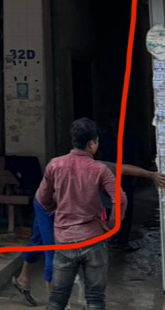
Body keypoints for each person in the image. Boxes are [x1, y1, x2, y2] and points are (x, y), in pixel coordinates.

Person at [35, 119, 121, 310]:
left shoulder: (55, 165)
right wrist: (112, 224)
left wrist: (53, 206)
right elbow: (120, 199)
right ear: (92, 144)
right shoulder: (100, 169)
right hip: (94, 239)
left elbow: (42, 198)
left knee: (57, 299)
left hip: (65, 240)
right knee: (95, 299)